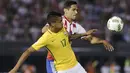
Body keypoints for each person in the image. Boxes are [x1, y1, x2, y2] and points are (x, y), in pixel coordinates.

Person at [42, 1, 114, 73]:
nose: (76, 12)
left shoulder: (76, 26)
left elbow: (90, 39)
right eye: (73, 10)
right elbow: (44, 30)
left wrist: (102, 41)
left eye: (77, 10)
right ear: (65, 10)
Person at [9, 11, 89, 73]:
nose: (62, 23)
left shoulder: (62, 28)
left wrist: (84, 34)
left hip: (75, 65)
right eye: (60, 21)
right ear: (53, 24)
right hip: (61, 68)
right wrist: (15, 69)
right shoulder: (46, 38)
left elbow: (69, 37)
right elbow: (27, 51)